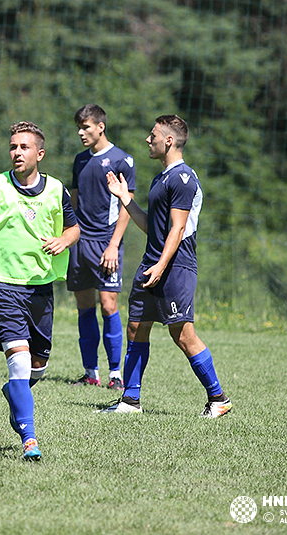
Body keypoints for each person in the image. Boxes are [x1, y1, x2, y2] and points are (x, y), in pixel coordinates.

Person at [0, 121, 80, 460]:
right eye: (12, 147)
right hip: (1, 284)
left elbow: (74, 229)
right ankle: (29, 440)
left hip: (39, 287)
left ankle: (16, 394)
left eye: (23, 147)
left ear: (39, 153)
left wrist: (62, 240)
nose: (16, 152)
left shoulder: (56, 189)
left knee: (37, 367)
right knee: (20, 364)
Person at [97, 115, 231, 417]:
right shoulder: (161, 178)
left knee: (182, 335)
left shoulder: (183, 178)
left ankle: (218, 398)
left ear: (168, 140)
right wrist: (125, 200)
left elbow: (178, 229)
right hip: (153, 262)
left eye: (153, 134)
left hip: (175, 266)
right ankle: (130, 401)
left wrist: (160, 265)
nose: (148, 139)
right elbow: (152, 227)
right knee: (135, 326)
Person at [67, 104, 136, 390]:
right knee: (84, 306)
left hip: (106, 244)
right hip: (80, 244)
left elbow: (127, 205)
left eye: (86, 127)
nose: (81, 133)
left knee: (108, 305)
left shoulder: (123, 160)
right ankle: (90, 372)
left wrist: (113, 245)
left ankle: (115, 374)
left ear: (100, 127)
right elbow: (73, 200)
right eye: (79, 128)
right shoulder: (80, 160)